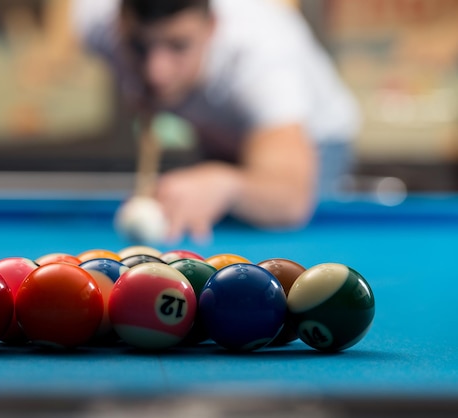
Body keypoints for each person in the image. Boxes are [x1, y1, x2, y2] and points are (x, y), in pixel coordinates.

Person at [71, 0, 360, 244]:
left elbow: (291, 199)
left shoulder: (260, 55)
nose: (155, 72)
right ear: (118, 23)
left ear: (211, 28)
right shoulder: (96, 23)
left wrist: (227, 185)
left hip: (314, 139)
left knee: (263, 224)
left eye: (178, 45)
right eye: (138, 46)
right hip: (215, 127)